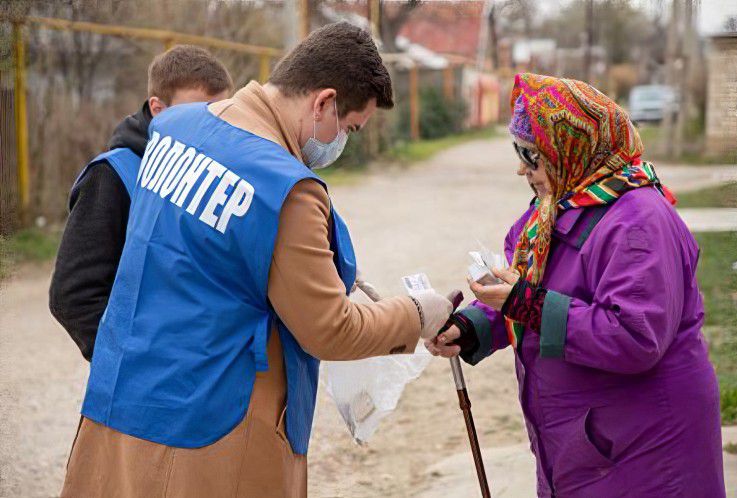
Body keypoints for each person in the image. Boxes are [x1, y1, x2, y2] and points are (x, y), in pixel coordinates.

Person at [60, 22, 454, 498]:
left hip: (120, 401)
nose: (342, 142)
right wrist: (418, 314)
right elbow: (330, 328)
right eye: (349, 128)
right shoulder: (286, 189)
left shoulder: (173, 127)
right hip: (211, 435)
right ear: (323, 101)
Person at [429, 73, 725, 497]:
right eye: (521, 153)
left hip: (646, 450)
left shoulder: (639, 221)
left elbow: (633, 337)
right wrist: (473, 326)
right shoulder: (555, 210)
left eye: (531, 156)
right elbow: (528, 291)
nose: (521, 168)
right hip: (588, 447)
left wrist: (524, 303)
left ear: (572, 146)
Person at [49, 45, 233, 361]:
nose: (212, 127)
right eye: (197, 114)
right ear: (158, 109)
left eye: (221, 113)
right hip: (149, 381)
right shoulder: (112, 175)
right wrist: (135, 363)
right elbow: (73, 297)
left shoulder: (217, 170)